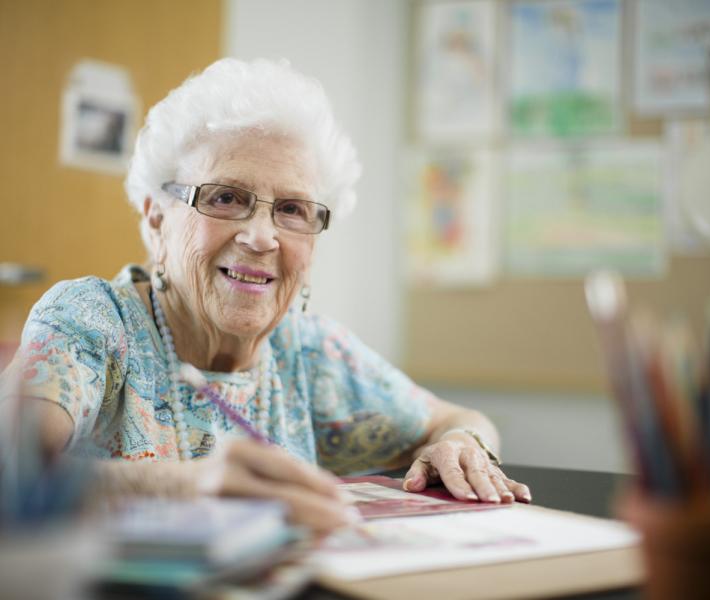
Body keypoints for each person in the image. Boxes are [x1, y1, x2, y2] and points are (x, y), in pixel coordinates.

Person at [5, 58, 530, 533]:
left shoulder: (306, 351)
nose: (261, 237)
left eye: (293, 209)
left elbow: (458, 419)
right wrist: (183, 487)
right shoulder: (91, 321)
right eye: (226, 197)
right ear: (156, 218)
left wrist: (460, 446)